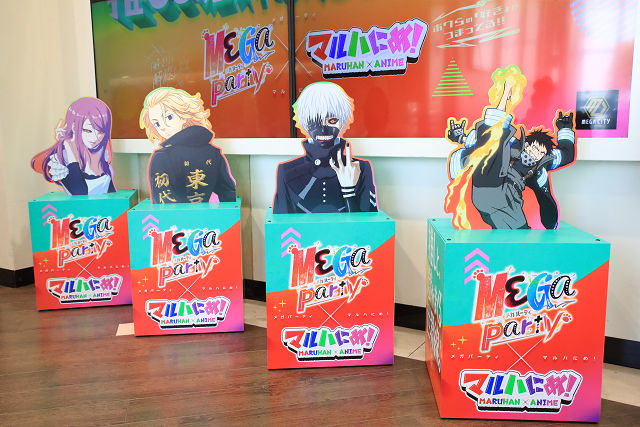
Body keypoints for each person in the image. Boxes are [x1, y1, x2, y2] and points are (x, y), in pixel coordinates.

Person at [446, 76, 576, 229]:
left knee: (520, 234)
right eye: (533, 148)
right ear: (526, 145)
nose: (534, 153)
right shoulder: (514, 146)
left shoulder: (542, 165)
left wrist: (565, 129)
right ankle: (504, 97)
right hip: (491, 186)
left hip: (510, 203)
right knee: (497, 139)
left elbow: (566, 155)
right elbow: (487, 141)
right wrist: (461, 137)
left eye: (540, 152)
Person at [272, 82, 378, 214]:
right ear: (305, 124)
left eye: (331, 121)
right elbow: (281, 224)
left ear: (341, 123)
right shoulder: (287, 172)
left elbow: (369, 224)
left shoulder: (360, 168)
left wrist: (349, 192)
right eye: (315, 121)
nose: (323, 129)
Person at [139, 87, 236, 204]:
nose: (163, 127)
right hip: (205, 215)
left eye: (169, 117)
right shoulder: (213, 153)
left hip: (174, 216)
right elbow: (228, 195)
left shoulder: (162, 157)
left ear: (184, 116)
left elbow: (162, 204)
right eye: (157, 124)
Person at [31, 97, 116, 195]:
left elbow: (111, 194)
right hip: (77, 206)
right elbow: (80, 193)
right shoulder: (61, 159)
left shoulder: (100, 152)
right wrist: (69, 147)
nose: (95, 138)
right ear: (73, 126)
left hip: (106, 205)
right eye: (88, 131)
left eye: (101, 132)